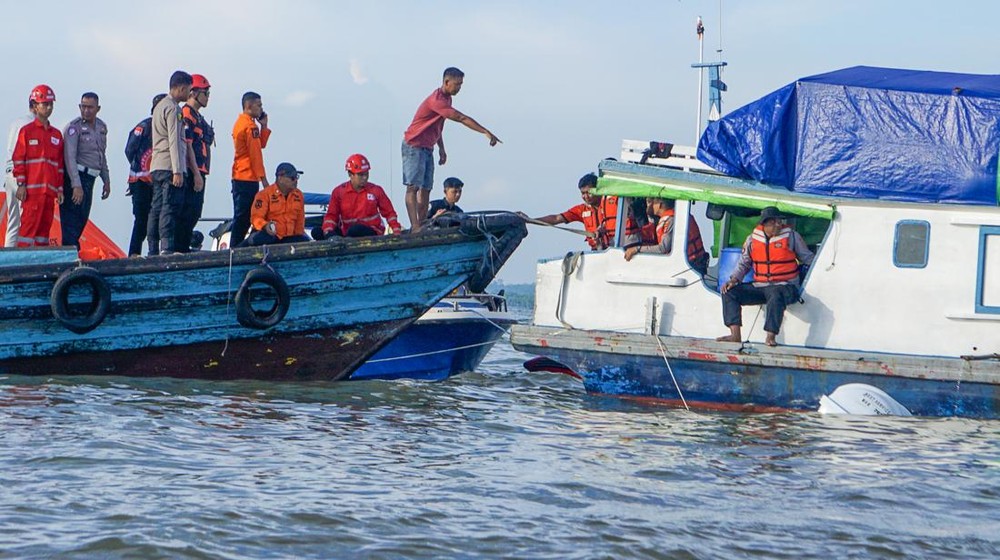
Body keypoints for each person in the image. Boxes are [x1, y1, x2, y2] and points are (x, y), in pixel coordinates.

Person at [402, 67, 500, 232]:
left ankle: (423, 222)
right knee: (413, 187)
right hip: (414, 144)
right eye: (457, 84)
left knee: (426, 187)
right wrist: (485, 131)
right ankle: (415, 226)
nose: (459, 88)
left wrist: (441, 148)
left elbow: (436, 125)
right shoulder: (437, 100)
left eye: (461, 85)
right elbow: (461, 118)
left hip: (427, 147)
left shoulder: (447, 100)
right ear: (447, 82)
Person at [717, 206, 815, 347]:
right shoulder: (752, 240)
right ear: (764, 224)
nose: (778, 224)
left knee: (775, 293)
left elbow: (808, 258)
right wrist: (733, 280)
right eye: (773, 222)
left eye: (779, 221)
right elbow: (744, 264)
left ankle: (770, 336)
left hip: (786, 286)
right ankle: (735, 335)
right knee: (729, 292)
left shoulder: (792, 236)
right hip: (761, 286)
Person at [149, 71, 201, 255]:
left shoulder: (159, 106)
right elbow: (175, 140)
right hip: (169, 166)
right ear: (180, 88)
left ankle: (153, 248)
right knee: (169, 207)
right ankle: (167, 249)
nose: (189, 94)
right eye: (188, 89)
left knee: (155, 208)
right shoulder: (173, 109)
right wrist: (178, 171)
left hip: (157, 165)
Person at [12, 85, 64, 247]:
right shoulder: (26, 131)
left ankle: (40, 264)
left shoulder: (56, 135)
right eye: (45, 104)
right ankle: (21, 265)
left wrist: (60, 189)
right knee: (27, 231)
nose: (48, 108)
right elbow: (18, 159)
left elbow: (59, 166)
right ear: (35, 106)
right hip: (32, 193)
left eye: (50, 104)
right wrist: (21, 184)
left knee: (43, 233)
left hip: (49, 194)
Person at [60, 92, 111, 251]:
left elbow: (101, 154)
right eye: (83, 106)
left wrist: (106, 179)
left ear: (98, 108)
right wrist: (76, 184)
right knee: (72, 220)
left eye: (90, 107)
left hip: (91, 177)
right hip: (76, 177)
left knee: (82, 218)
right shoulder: (74, 128)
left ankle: (73, 250)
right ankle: (70, 253)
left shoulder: (101, 127)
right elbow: (69, 157)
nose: (86, 111)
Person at [528, 173, 631, 250]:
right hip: (596, 251)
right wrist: (529, 220)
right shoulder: (581, 210)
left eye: (589, 192)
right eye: (583, 193)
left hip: (617, 247)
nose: (586, 197)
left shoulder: (614, 202)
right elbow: (556, 218)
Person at [124, 93, 167, 256]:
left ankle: (153, 253)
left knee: (157, 219)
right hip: (140, 180)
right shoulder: (144, 126)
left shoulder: (166, 128)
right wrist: (139, 168)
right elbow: (129, 149)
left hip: (158, 181)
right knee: (141, 220)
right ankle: (133, 254)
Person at [176, 74, 214, 253]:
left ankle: (183, 248)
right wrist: (197, 174)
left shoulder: (199, 118)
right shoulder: (187, 115)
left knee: (195, 212)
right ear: (194, 93)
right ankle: (180, 248)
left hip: (201, 170)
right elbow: (188, 145)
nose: (207, 97)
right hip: (192, 171)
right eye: (205, 92)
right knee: (187, 212)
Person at [321, 154, 402, 238]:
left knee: (355, 230)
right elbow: (331, 215)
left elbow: (389, 212)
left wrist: (396, 229)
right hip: (347, 232)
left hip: (371, 231)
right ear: (350, 174)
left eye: (366, 174)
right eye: (360, 175)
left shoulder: (376, 190)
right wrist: (328, 231)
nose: (365, 178)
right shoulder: (339, 192)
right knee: (317, 232)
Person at [623, 198, 709, 274]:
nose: (649, 205)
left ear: (659, 204)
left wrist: (636, 249)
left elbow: (663, 248)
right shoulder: (671, 217)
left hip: (692, 266)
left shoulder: (671, 220)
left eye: (651, 202)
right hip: (691, 264)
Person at [230, 91, 270, 247]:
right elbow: (255, 155)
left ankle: (237, 247)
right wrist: (264, 180)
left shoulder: (242, 123)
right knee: (244, 216)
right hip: (246, 177)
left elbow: (260, 145)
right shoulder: (249, 126)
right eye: (258, 105)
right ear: (249, 106)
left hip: (242, 176)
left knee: (244, 215)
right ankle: (235, 248)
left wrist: (264, 126)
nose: (261, 108)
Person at [240, 162, 309, 247]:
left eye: (297, 177)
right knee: (266, 237)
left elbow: (299, 223)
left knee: (303, 240)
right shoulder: (264, 195)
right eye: (292, 178)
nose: (296, 181)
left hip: (286, 238)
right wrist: (265, 225)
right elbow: (256, 218)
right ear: (280, 178)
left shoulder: (298, 196)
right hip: (269, 236)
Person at [4, 109, 34, 247]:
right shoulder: (31, 124)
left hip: (10, 173)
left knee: (13, 222)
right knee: (25, 219)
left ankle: (8, 259)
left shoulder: (16, 122)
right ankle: (22, 258)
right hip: (21, 175)